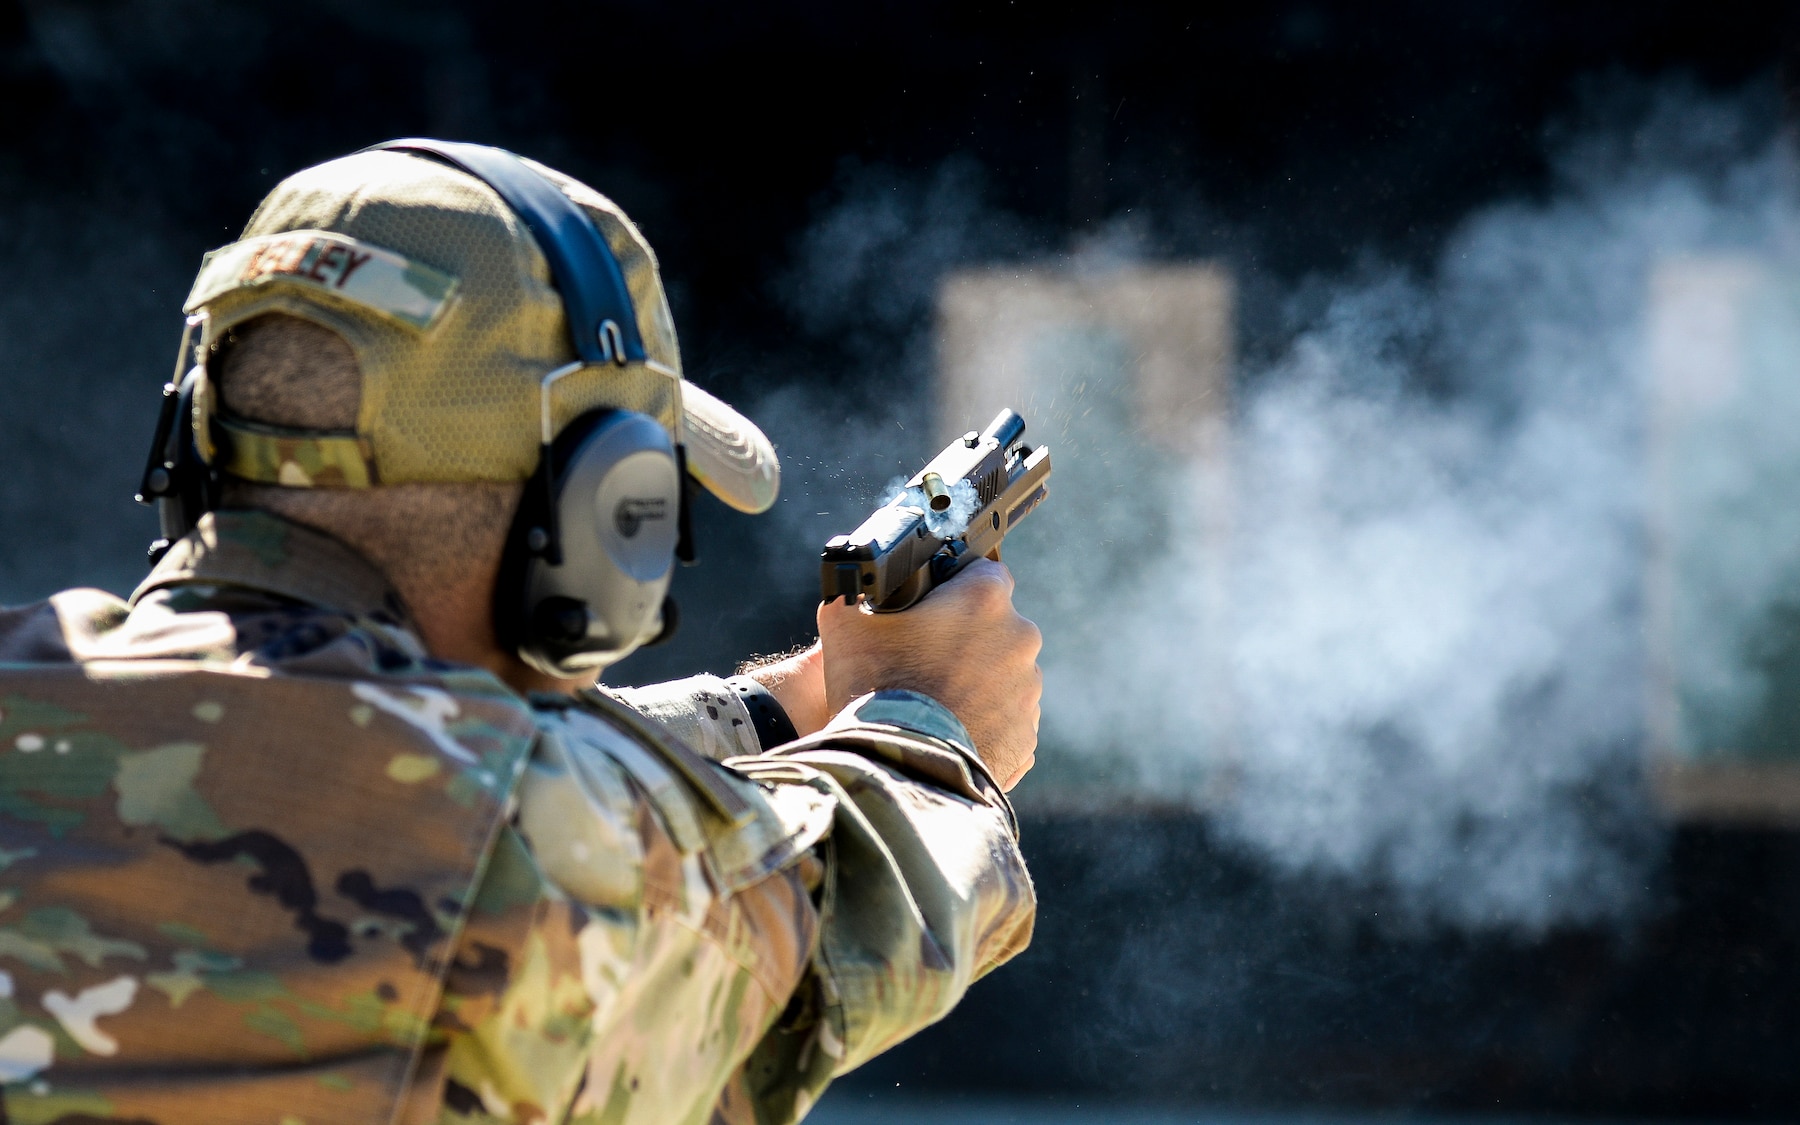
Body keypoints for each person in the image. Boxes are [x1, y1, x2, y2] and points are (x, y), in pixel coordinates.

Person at [0, 142, 1042, 1124]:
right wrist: (929, 729)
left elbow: (344, 753)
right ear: (605, 510)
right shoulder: (521, 871)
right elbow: (835, 934)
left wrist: (778, 712)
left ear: (190, 446)